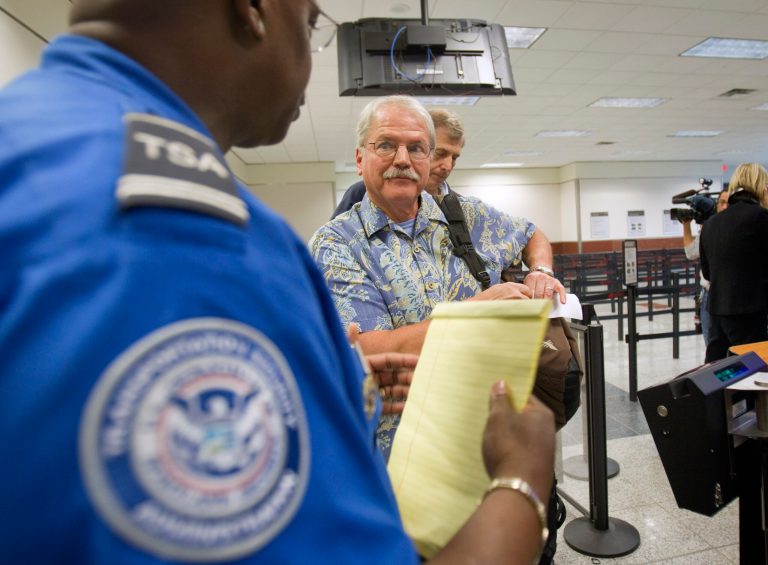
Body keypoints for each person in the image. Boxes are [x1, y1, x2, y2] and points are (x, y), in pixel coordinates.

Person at [0, 1, 557, 563]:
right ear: (253, 9)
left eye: (419, 149)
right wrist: (521, 481)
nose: (405, 160)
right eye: (311, 21)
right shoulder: (189, 231)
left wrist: (340, 388)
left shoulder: (32, 139)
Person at [331, 107, 465, 218]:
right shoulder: (362, 192)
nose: (447, 166)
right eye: (440, 153)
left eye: (454, 158)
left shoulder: (463, 209)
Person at [700, 163, 768, 362]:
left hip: (716, 311)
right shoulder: (759, 217)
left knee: (719, 370)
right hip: (750, 312)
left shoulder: (712, 223)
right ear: (761, 187)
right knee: (753, 370)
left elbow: (707, 272)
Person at [682, 188, 729, 346]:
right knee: (712, 345)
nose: (724, 207)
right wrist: (686, 225)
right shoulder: (709, 228)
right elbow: (691, 252)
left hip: (732, 293)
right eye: (721, 202)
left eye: (729, 203)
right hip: (710, 293)